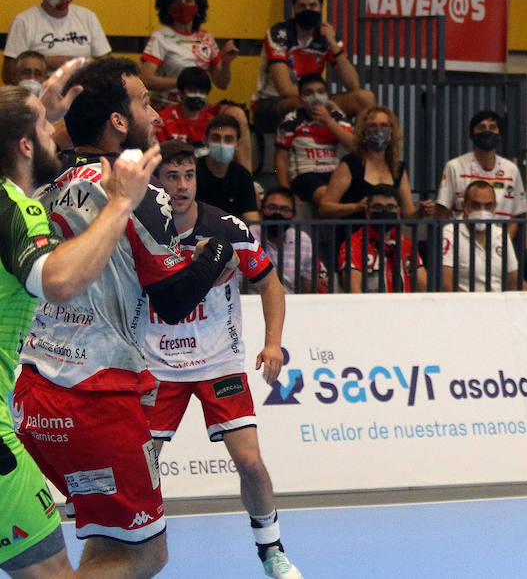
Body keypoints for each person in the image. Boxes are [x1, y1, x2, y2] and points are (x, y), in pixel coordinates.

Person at [20, 58, 234, 575]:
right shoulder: (136, 191)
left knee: (107, 539)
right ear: (118, 121)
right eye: (143, 102)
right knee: (146, 552)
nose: (155, 113)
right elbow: (174, 302)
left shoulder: (49, 184)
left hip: (32, 392)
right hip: (96, 398)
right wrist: (215, 254)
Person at [0, 67, 166, 577]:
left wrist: (36, 114)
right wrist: (120, 202)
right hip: (76, 396)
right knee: (135, 556)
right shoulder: (15, 209)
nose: (60, 133)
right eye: (49, 130)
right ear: (25, 147)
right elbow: (60, 279)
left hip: (28, 398)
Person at [139, 142, 301, 579]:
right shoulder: (139, 228)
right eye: (171, 176)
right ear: (156, 182)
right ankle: (136, 549)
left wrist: (273, 344)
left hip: (219, 365)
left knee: (250, 462)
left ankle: (272, 551)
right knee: (141, 466)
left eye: (188, 175)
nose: (181, 185)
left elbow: (270, 285)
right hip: (157, 366)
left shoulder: (226, 227)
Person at [254, 0, 375, 131]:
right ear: (294, 8)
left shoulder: (325, 35)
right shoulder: (279, 33)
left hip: (316, 97)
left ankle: (360, 150)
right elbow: (284, 89)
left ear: (321, 7)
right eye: (302, 6)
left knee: (365, 98)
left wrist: (332, 43)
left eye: (313, 6)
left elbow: (353, 84)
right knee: (303, 103)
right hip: (271, 103)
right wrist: (318, 96)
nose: (307, 10)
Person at [3, 0, 110, 81]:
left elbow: (107, 65)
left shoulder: (87, 17)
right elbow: (9, 74)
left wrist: (80, 66)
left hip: (84, 92)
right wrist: (44, 63)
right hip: (41, 94)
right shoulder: (24, 21)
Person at [319, 105, 424, 222]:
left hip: (387, 237)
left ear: (392, 130)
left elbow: (408, 215)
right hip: (353, 237)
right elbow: (325, 208)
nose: (379, 130)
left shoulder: (397, 169)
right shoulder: (350, 164)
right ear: (363, 131)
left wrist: (421, 212)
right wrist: (356, 207)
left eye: (384, 125)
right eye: (372, 126)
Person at [274, 70, 354, 209]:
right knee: (328, 197)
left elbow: (354, 146)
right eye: (309, 93)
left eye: (320, 91)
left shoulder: (337, 118)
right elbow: (280, 159)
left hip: (335, 175)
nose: (316, 96)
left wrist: (329, 121)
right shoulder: (291, 120)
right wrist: (286, 192)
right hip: (305, 176)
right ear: (300, 98)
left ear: (327, 95)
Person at [435, 109, 527, 221]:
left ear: (500, 134)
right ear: (472, 133)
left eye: (492, 127)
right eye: (481, 127)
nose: (487, 131)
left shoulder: (511, 169)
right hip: (462, 236)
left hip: (500, 237)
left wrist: (501, 238)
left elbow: (515, 218)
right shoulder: (454, 166)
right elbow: (442, 211)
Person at [340, 184, 424, 292]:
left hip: (405, 306)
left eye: (390, 207)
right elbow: (353, 289)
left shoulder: (407, 243)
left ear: (398, 211)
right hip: (371, 307)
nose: (384, 212)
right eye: (378, 207)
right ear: (367, 211)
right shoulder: (354, 244)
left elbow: (424, 285)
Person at [442, 180, 520, 291]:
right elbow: (446, 285)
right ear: (464, 206)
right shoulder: (450, 233)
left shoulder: (501, 235)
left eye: (488, 206)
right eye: (476, 205)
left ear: (494, 207)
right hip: (464, 305)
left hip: (498, 305)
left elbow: (514, 282)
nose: (482, 211)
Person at [254, 187, 326, 293]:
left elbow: (308, 288)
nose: (277, 213)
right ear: (261, 211)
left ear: (293, 215)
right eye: (271, 207)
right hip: (254, 304)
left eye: (284, 209)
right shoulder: (248, 237)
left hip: (292, 305)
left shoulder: (303, 240)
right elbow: (239, 285)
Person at [196, 114, 260, 221]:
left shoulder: (243, 175)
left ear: (238, 144)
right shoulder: (193, 171)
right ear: (205, 141)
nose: (222, 144)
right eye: (216, 138)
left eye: (228, 139)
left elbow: (252, 218)